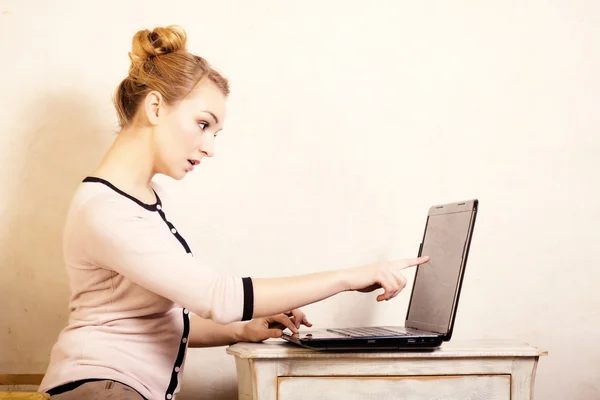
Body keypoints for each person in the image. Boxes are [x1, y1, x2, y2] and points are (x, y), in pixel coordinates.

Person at [38, 25, 429, 400]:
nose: (209, 147)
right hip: (102, 387)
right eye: (203, 124)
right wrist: (347, 277)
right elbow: (217, 296)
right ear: (155, 106)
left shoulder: (142, 197)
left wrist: (245, 329)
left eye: (215, 133)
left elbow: (155, 322)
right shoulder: (106, 210)